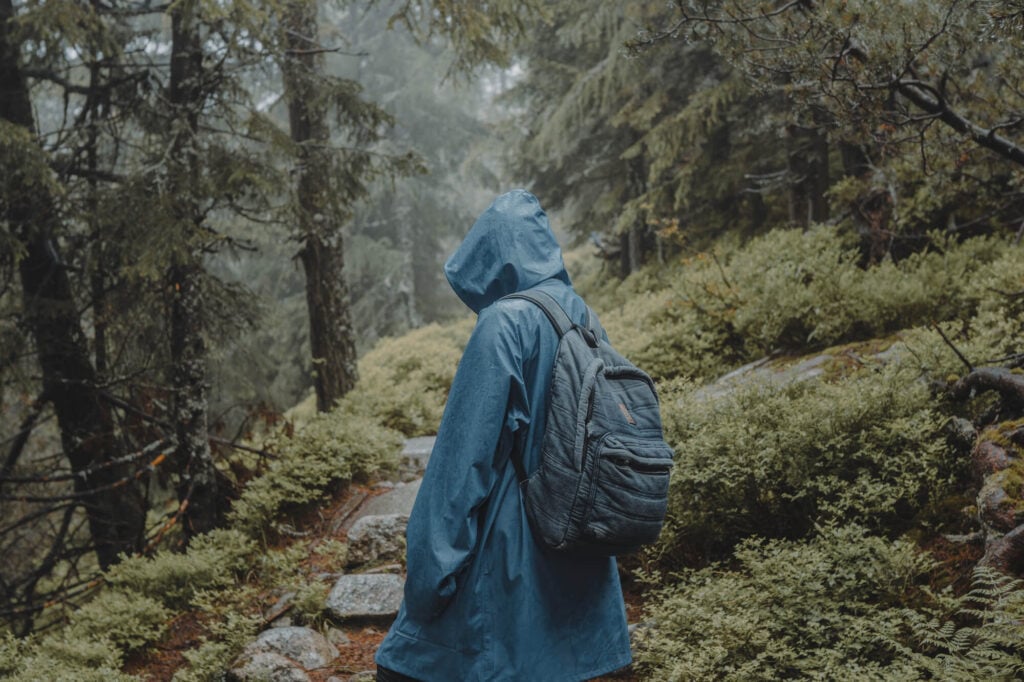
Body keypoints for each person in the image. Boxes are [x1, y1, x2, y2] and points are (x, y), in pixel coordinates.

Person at [374, 190, 631, 681]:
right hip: (581, 553)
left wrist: (429, 578)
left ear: (489, 255)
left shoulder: (504, 322)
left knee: (406, 666)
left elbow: (461, 464)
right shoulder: (582, 315)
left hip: (510, 560)